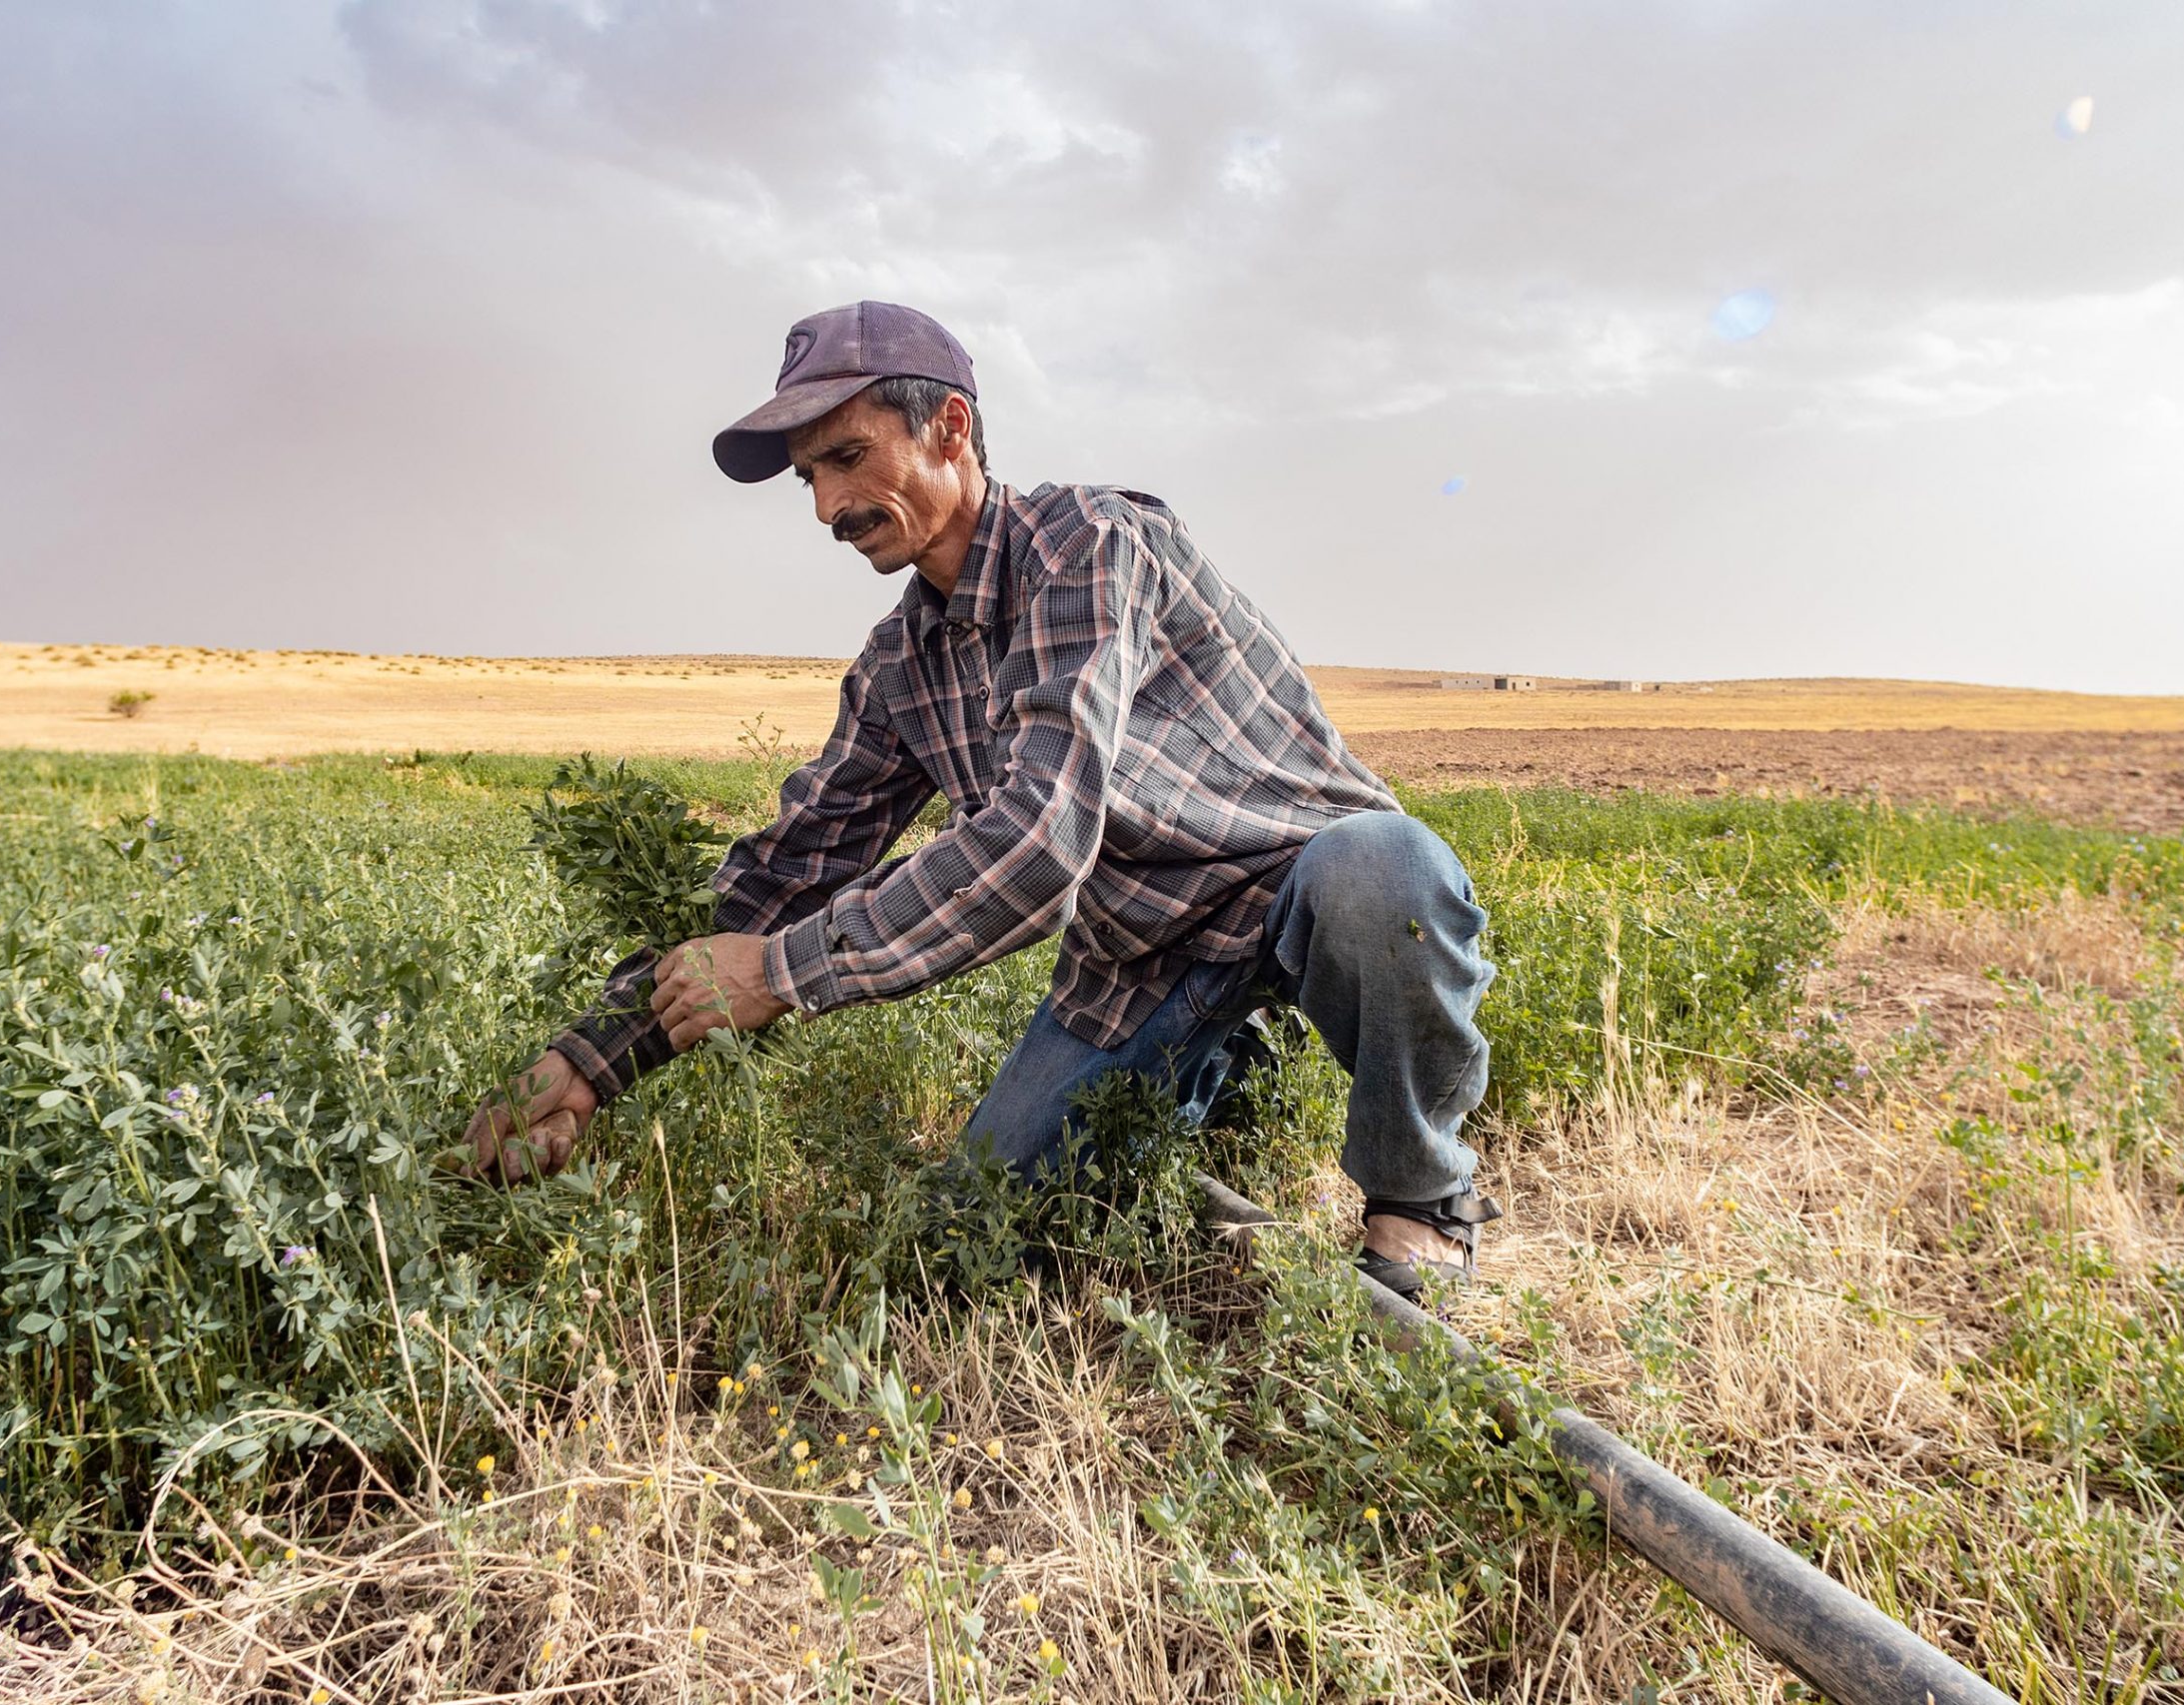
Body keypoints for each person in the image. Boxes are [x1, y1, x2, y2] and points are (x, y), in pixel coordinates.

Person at [460, 301, 1499, 1295]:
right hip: (1139, 958)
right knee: (975, 1225)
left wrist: (783, 974)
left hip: (1296, 883)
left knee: (1382, 869)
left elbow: (1038, 843)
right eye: (808, 476)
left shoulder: (1093, 547)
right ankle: (1221, 1073)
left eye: (849, 455)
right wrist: (591, 1063)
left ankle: (1420, 1196)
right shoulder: (899, 666)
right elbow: (786, 874)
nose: (827, 507)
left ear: (950, 428)